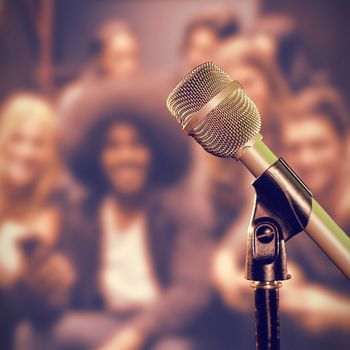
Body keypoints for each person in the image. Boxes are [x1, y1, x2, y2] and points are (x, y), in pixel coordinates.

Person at [48, 94, 213, 350]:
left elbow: (191, 290)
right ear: (98, 156)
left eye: (137, 145)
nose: (125, 156)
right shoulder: (85, 212)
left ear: (154, 152)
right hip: (107, 321)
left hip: (167, 329)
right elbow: (69, 293)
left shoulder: (181, 209)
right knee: (43, 332)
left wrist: (136, 334)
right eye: (112, 146)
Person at [0, 93, 75, 350]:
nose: (25, 152)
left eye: (38, 143)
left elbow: (36, 290)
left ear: (51, 151)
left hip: (34, 323)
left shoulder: (59, 201)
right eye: (17, 139)